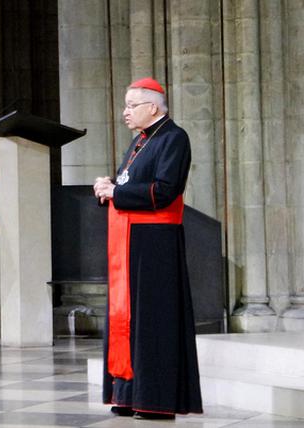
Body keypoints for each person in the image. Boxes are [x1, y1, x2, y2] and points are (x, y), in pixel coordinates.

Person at [92, 77, 201, 419]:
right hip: (130, 241)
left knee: (152, 321)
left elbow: (165, 190)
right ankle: (127, 395)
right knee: (127, 319)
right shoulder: (140, 140)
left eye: (130, 105)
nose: (124, 112)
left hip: (155, 246)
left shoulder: (173, 138)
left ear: (151, 107)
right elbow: (127, 182)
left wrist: (117, 193)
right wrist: (107, 186)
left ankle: (155, 401)